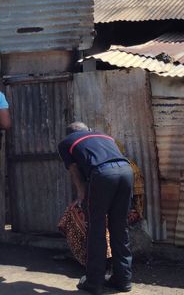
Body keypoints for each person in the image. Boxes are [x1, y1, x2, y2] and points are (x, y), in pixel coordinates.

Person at [58, 122, 133, 295]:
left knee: (96, 230)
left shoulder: (65, 143)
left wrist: (82, 193)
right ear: (88, 130)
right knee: (120, 229)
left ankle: (94, 282)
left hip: (103, 174)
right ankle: (123, 281)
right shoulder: (104, 136)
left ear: (69, 134)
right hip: (126, 171)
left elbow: (74, 170)